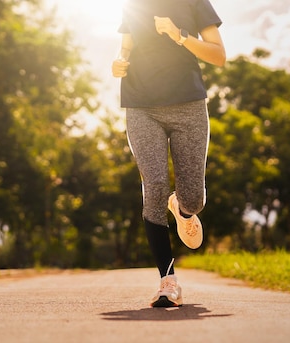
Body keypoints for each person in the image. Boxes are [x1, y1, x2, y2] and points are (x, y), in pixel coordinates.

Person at [112, 0, 226, 307]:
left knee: (194, 199)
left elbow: (218, 56)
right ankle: (168, 281)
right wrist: (119, 61)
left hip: (188, 107)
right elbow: (126, 47)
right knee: (155, 184)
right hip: (140, 106)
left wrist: (180, 36)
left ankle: (183, 208)